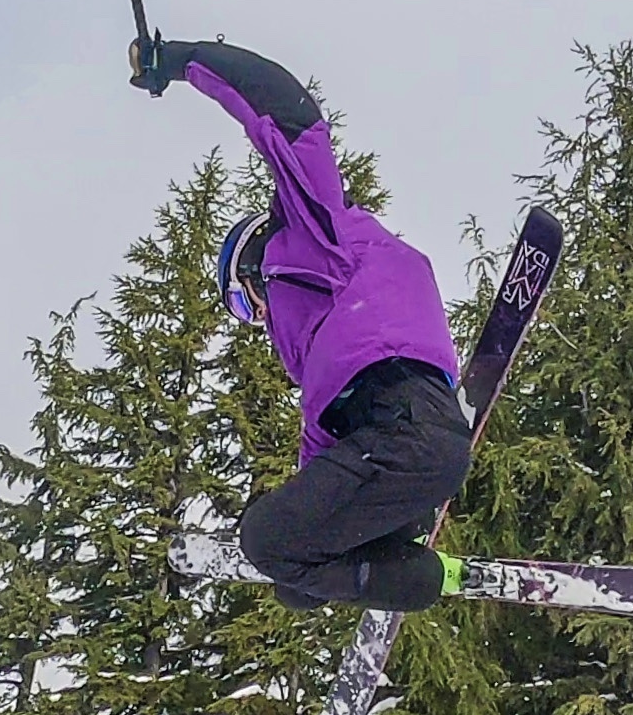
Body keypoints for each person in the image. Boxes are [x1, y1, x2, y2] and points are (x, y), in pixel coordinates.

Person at [132, 34, 471, 612]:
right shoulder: (323, 366)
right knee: (290, 575)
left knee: (265, 540)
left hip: (405, 425)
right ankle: (409, 565)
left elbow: (287, 112)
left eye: (244, 304)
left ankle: (424, 579)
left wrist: (181, 61)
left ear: (256, 270)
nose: (256, 321)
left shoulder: (315, 241)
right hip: (400, 453)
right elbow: (318, 462)